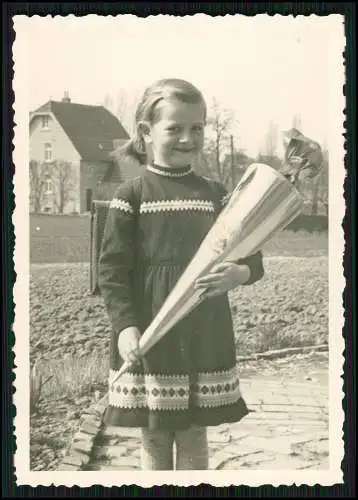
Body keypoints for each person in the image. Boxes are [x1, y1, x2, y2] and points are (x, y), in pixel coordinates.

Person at [98, 78, 265, 471]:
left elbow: (254, 258)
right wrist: (125, 327)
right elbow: (112, 271)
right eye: (174, 128)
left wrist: (238, 274)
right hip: (152, 332)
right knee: (155, 436)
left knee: (194, 433)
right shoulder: (131, 196)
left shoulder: (217, 194)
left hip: (205, 330)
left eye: (197, 128)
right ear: (146, 131)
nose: (187, 138)